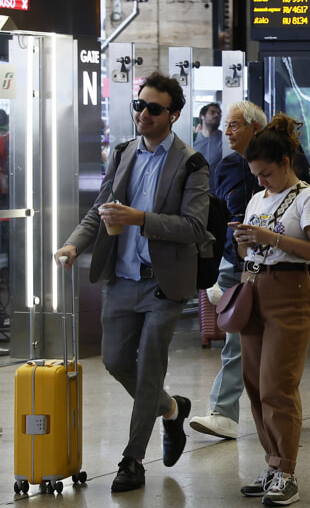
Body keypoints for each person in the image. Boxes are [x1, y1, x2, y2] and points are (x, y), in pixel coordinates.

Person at [54, 72, 209, 492]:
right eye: (138, 105)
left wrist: (139, 219)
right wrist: (73, 245)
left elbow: (195, 226)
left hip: (163, 284)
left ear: (173, 115)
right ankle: (173, 410)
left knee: (148, 372)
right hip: (121, 280)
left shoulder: (191, 163)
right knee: (116, 361)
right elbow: (100, 209)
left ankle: (132, 460)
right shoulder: (123, 152)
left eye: (153, 108)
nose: (143, 113)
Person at [233, 114, 310, 507]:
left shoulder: (309, 198)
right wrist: (245, 240)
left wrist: (270, 236)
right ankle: (272, 464)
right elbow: (251, 248)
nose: (261, 181)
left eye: (266, 173)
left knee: (278, 384)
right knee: (255, 384)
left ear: (285, 163)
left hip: (290, 291)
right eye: (256, 174)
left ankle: (287, 471)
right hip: (252, 287)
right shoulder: (257, 199)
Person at [189, 100, 267, 441]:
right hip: (239, 268)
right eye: (227, 125)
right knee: (236, 341)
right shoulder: (227, 166)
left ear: (255, 128)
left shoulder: (288, 163)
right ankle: (224, 413)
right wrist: (221, 271)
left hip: (280, 270)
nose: (227, 131)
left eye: (235, 124)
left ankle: (277, 409)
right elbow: (220, 220)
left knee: (275, 348)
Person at [195, 102, 224, 173]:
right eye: (212, 112)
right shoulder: (193, 139)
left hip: (219, 183)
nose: (217, 115)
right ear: (202, 116)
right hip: (197, 182)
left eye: (219, 114)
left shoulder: (225, 139)